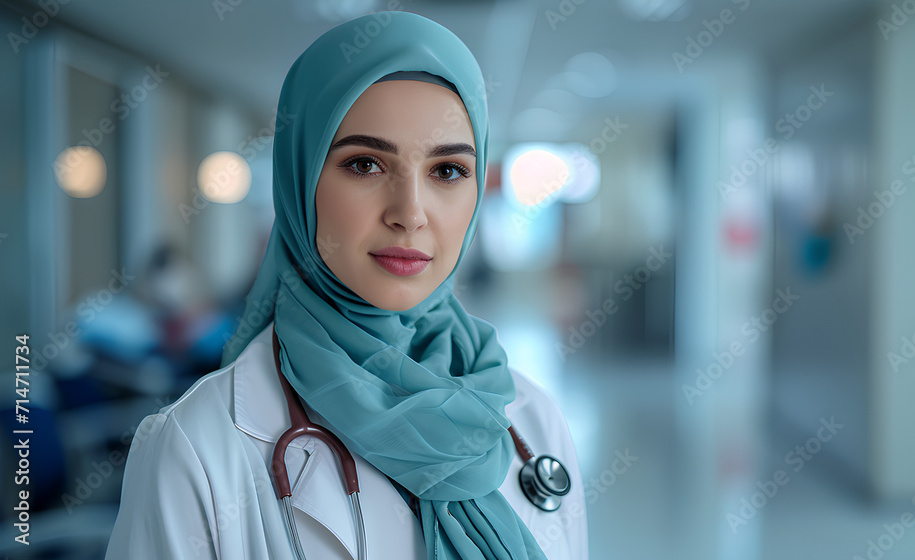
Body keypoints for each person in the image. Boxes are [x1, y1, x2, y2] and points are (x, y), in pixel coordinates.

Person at [105, 10, 588, 560]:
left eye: (447, 171)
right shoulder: (196, 449)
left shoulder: (531, 421)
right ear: (299, 183)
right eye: (364, 164)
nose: (410, 213)